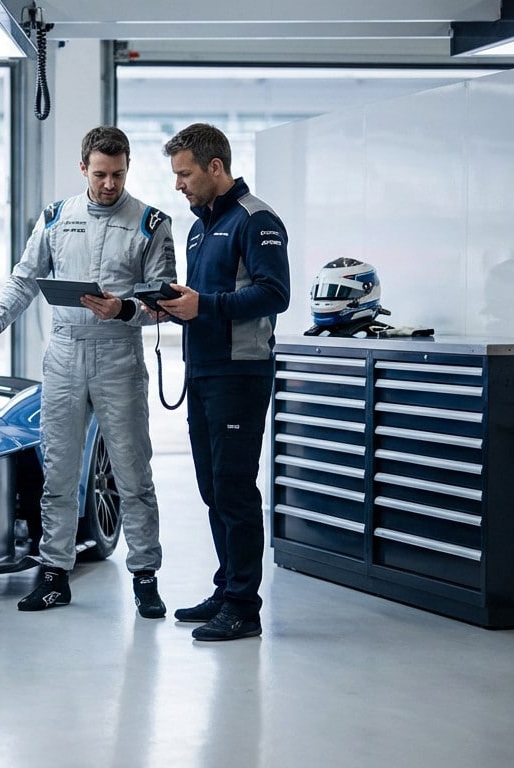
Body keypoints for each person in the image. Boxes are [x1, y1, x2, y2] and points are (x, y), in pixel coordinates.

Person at [0, 125, 177, 618]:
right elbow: (24, 279)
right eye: (100, 174)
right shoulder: (56, 218)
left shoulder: (152, 223)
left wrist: (123, 309)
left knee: (133, 471)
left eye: (118, 175)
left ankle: (145, 577)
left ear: (128, 168)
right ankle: (54, 575)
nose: (109, 185)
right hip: (65, 354)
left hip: (119, 354)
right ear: (83, 169)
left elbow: (165, 303)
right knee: (58, 471)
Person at [158, 122, 290, 641]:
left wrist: (203, 305)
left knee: (234, 491)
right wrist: (160, 307)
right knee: (213, 490)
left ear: (216, 167)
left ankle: (243, 606)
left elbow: (274, 293)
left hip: (241, 372)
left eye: (185, 174)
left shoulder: (256, 220)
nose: (178, 185)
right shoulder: (198, 226)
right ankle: (225, 588)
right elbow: (202, 304)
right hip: (205, 370)